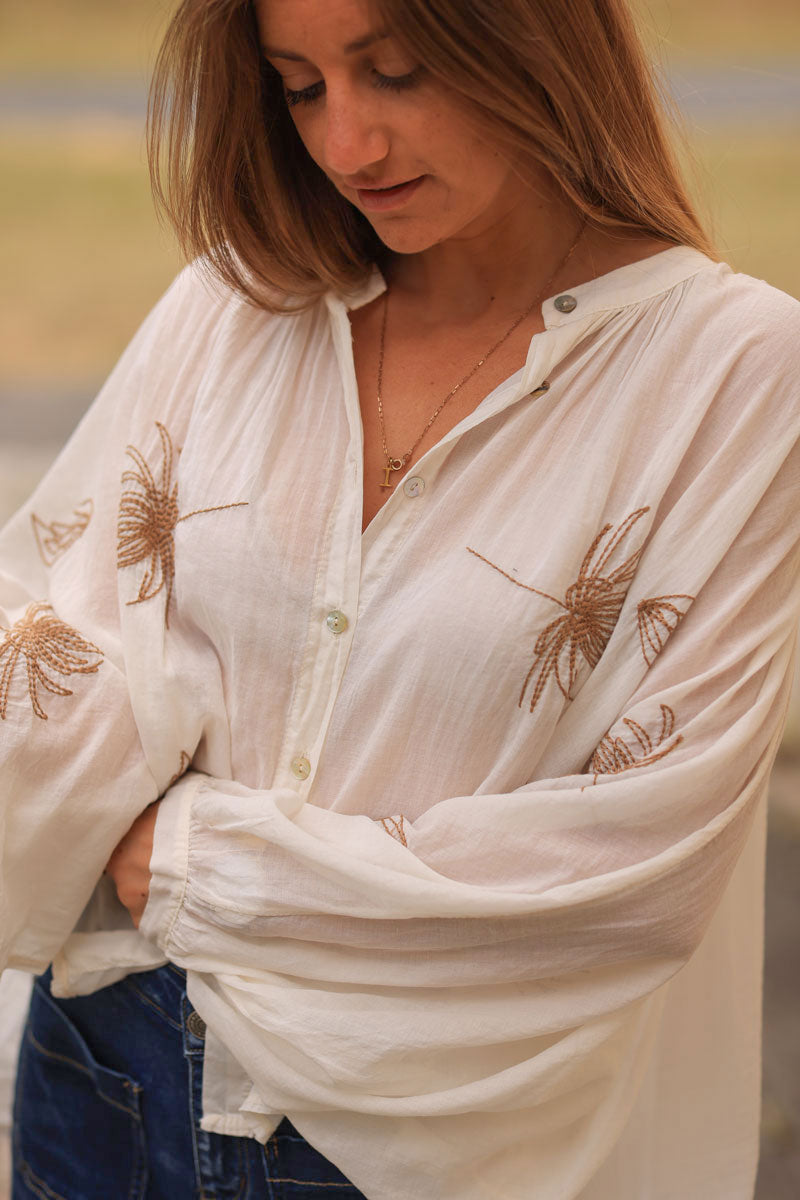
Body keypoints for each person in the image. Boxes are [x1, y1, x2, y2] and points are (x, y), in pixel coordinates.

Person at [2, 0, 798, 1196]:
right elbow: (53, 616)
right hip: (101, 1069)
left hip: (413, 1150)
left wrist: (195, 858)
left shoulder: (734, 377)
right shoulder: (240, 300)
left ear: (533, 44)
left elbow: (631, 865)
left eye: (397, 74)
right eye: (301, 87)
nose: (348, 148)